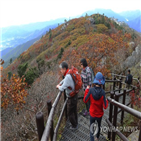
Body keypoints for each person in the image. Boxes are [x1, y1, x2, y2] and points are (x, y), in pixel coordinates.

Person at [83, 72, 108, 141]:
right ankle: (97, 137)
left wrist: (86, 90)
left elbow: (85, 100)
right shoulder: (103, 92)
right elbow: (105, 106)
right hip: (99, 115)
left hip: (92, 114)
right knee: (99, 126)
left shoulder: (90, 90)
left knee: (91, 128)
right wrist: (107, 100)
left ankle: (92, 139)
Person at [56, 61, 78, 130]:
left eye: (61, 69)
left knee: (70, 113)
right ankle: (76, 123)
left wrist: (58, 86)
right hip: (75, 95)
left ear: (64, 69)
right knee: (74, 110)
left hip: (71, 98)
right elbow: (64, 80)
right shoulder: (69, 72)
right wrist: (60, 83)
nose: (60, 71)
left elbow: (62, 88)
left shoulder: (68, 76)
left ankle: (74, 126)